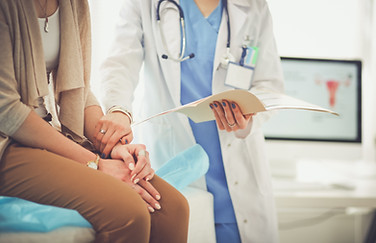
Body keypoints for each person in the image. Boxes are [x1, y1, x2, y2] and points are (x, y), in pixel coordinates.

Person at [0, 1, 189, 243]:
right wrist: (95, 163)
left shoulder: (73, 4)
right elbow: (6, 109)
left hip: (48, 131)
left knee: (173, 209)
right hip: (8, 142)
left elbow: (79, 88)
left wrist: (110, 144)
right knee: (128, 211)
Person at [98, 0, 284, 242]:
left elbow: (270, 84)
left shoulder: (253, 6)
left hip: (237, 171)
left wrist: (249, 114)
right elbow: (120, 63)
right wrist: (118, 110)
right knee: (184, 224)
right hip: (174, 158)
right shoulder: (145, 4)